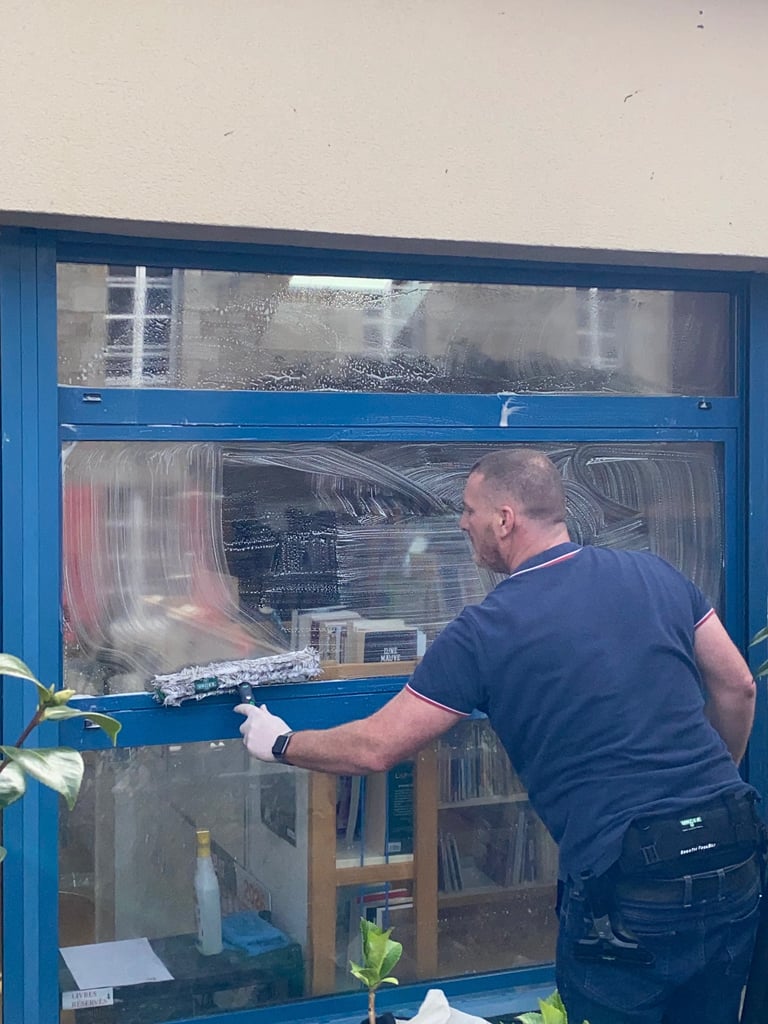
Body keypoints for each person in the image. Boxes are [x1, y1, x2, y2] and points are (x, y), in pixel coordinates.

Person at [235, 448, 762, 1024]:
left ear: (505, 519)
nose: (462, 523)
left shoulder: (486, 630)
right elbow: (738, 687)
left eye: (469, 510)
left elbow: (377, 746)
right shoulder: (656, 575)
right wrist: (709, 787)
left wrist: (281, 743)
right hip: (733, 854)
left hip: (628, 896)